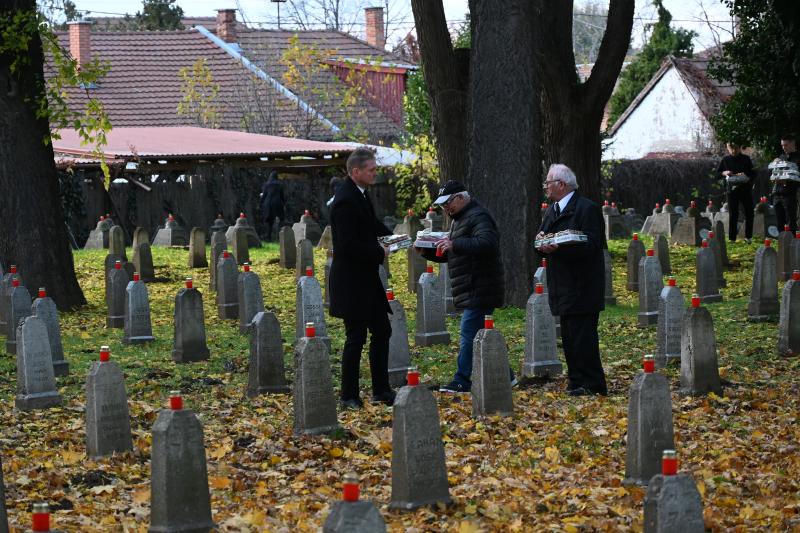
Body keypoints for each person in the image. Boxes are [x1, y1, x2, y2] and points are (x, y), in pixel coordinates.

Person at [416, 180, 507, 393]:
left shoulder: (478, 216)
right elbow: (455, 255)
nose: (445, 208)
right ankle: (506, 375)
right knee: (477, 334)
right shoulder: (460, 219)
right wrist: (427, 252)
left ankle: (462, 380)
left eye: (447, 203)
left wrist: (454, 244)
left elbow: (487, 244)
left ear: (460, 198)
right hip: (472, 285)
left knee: (468, 332)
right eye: (442, 206)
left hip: (481, 285)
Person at [329, 148, 396, 409]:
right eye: (371, 169)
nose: (375, 173)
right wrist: (379, 251)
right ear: (355, 171)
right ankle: (349, 395)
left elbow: (371, 225)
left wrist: (395, 238)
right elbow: (347, 246)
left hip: (365, 279)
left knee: (382, 330)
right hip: (351, 281)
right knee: (355, 336)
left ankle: (380, 390)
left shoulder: (360, 194)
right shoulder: (345, 200)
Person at [535, 164, 607, 396]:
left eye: (548, 182)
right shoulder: (552, 210)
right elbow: (542, 238)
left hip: (583, 284)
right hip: (562, 283)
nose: (546, 186)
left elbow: (593, 246)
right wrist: (542, 245)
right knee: (568, 338)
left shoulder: (587, 209)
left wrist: (560, 249)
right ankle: (576, 381)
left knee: (583, 337)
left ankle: (593, 383)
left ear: (561, 184)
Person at [716, 143, 755, 242]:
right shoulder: (725, 160)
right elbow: (717, 174)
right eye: (731, 149)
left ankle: (748, 237)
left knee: (749, 212)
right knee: (733, 214)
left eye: (736, 148)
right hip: (731, 190)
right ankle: (732, 238)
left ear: (740, 148)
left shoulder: (746, 159)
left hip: (745, 189)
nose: (733, 151)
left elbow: (753, 173)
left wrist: (746, 176)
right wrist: (724, 173)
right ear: (728, 148)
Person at [773, 134, 800, 234]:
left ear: (793, 144)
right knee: (779, 224)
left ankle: (792, 247)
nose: (784, 147)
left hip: (790, 195)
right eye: (782, 145)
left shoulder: (798, 158)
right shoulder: (781, 157)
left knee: (791, 224)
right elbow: (772, 173)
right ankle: (782, 247)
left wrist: (788, 182)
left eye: (786, 145)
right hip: (777, 195)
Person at [260, 170, 285, 241]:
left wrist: (261, 203)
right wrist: (283, 204)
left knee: (269, 221)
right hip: (278, 203)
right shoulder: (280, 185)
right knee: (280, 219)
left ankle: (269, 237)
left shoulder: (267, 184)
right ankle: (281, 237)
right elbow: (282, 196)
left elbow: (264, 195)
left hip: (268, 204)